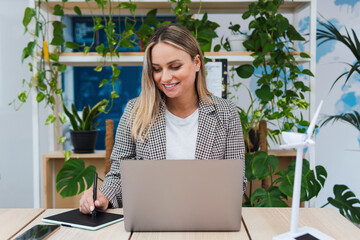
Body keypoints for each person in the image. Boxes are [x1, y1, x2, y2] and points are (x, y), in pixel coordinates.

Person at [79, 24, 246, 214]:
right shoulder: (136, 111)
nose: (165, 78)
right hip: (151, 218)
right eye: (157, 69)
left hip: (206, 217)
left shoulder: (226, 113)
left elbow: (236, 182)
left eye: (175, 66)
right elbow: (118, 175)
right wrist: (103, 195)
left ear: (197, 63)